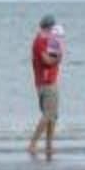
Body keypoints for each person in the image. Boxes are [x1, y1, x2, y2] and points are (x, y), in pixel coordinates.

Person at [25, 14, 64, 157]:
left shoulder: (48, 41)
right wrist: (59, 57)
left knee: (53, 116)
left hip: (49, 81)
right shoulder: (40, 41)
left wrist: (57, 53)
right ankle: (33, 143)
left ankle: (49, 144)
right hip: (46, 83)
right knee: (48, 114)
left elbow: (51, 57)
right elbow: (47, 61)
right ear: (49, 28)